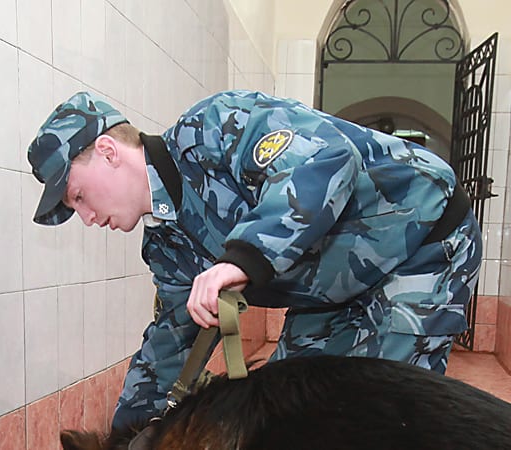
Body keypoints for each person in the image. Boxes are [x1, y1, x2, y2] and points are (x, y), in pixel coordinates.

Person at [26, 90, 482, 431]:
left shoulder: (213, 127)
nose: (87, 218)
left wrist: (243, 258)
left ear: (108, 152)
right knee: (285, 416)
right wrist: (123, 439)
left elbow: (328, 159)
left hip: (420, 245)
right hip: (332, 291)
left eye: (78, 197)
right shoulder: (167, 246)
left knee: (379, 417)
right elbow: (168, 347)